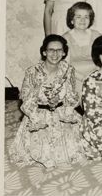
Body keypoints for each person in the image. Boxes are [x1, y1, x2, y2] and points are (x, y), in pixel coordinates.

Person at [8, 35, 84, 168]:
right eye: (51, 50)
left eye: (59, 50)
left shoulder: (69, 70)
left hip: (61, 113)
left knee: (72, 150)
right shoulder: (32, 71)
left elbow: (71, 95)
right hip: (38, 113)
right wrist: (41, 99)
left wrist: (62, 100)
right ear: (44, 52)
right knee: (40, 150)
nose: (55, 54)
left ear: (64, 52)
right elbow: (25, 96)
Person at [62, 2, 101, 95]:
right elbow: (65, 66)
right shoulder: (65, 39)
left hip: (96, 75)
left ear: (90, 20)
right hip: (74, 76)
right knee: (87, 95)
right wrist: (84, 78)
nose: (82, 20)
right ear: (72, 20)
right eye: (78, 17)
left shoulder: (96, 35)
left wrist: (96, 77)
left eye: (86, 17)